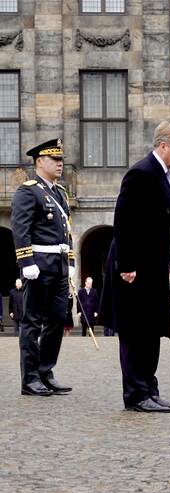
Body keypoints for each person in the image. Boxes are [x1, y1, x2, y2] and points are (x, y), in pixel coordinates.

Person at [98, 121, 170, 413]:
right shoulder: (141, 173)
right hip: (133, 267)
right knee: (136, 331)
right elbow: (123, 219)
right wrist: (127, 264)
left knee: (151, 329)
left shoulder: (166, 176)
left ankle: (149, 388)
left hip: (152, 265)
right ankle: (136, 394)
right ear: (163, 146)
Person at [11, 138, 74, 396]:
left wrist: (70, 262)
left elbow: (67, 232)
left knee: (58, 320)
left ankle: (46, 372)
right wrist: (26, 262)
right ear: (39, 162)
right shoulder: (28, 191)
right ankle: (30, 379)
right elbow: (20, 228)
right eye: (54, 159)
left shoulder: (60, 193)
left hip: (57, 266)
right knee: (32, 322)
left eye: (61, 159)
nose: (60, 164)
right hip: (37, 266)